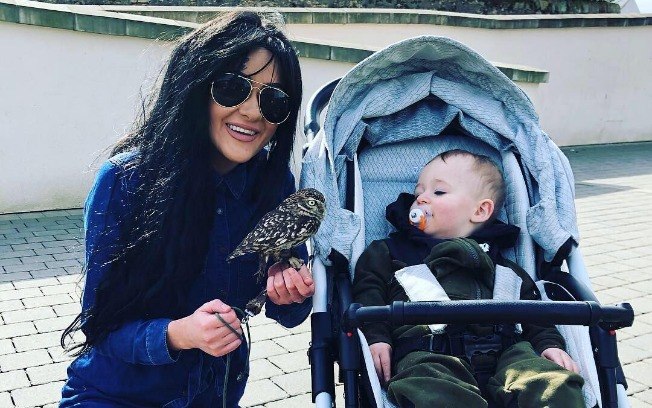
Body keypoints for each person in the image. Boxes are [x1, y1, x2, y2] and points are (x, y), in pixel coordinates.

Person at [59, 11, 315, 407]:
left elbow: (290, 312)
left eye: (273, 99)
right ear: (195, 87)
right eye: (232, 88)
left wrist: (290, 291)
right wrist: (179, 334)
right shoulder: (124, 181)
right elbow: (101, 328)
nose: (252, 112)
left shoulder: (276, 184)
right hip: (114, 397)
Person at [352, 150, 585, 408]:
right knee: (431, 390)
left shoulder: (506, 269)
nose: (421, 199)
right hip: (428, 354)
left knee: (551, 384)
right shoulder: (389, 253)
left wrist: (549, 344)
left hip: (510, 350)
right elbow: (368, 293)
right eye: (419, 192)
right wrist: (376, 336)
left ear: (481, 210)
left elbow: (534, 312)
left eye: (439, 192)